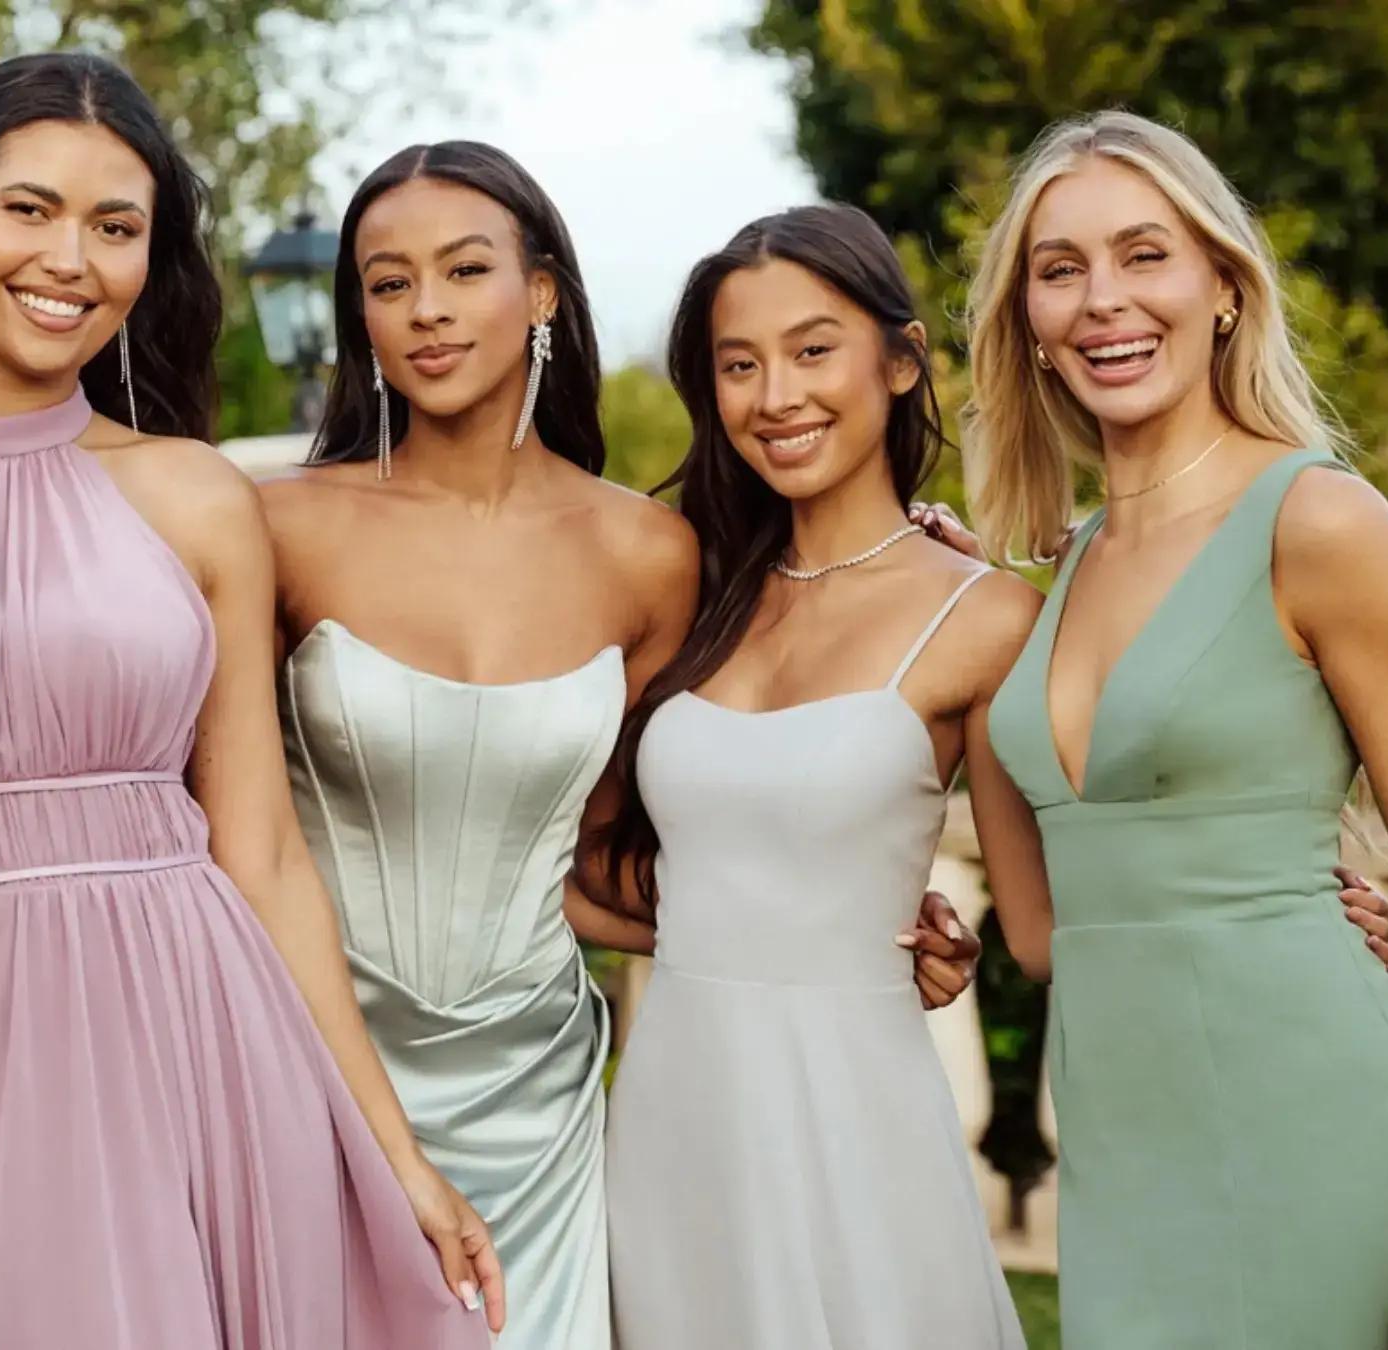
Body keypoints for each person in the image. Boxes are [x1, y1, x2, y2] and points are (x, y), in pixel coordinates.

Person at [0, 54, 498, 1349]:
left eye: (117, 228)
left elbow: (263, 852)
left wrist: (395, 1152)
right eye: (31, 209)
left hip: (184, 1035)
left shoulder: (193, 494)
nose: (73, 258)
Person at [260, 144, 978, 1349]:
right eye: (388, 284)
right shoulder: (275, 526)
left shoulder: (649, 553)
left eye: (465, 269)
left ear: (541, 292)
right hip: (306, 1073)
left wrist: (835, 933)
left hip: (533, 1101)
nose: (426, 308)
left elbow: (632, 852)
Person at [968, 109, 1388, 1348]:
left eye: (1144, 254)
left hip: (1309, 1106)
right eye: (1062, 270)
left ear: (1221, 286)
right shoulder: (1069, 567)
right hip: (1115, 1133)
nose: (1105, 300)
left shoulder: (1320, 520)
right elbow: (1045, 937)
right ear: (1031, 327)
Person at [595, 204, 1051, 1349]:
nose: (775, 395)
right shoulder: (692, 587)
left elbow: (1043, 913)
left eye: (813, 350)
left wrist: (945, 941)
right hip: (675, 1105)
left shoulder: (987, 615)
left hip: (856, 1107)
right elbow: (583, 864)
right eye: (737, 365)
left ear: (901, 362)